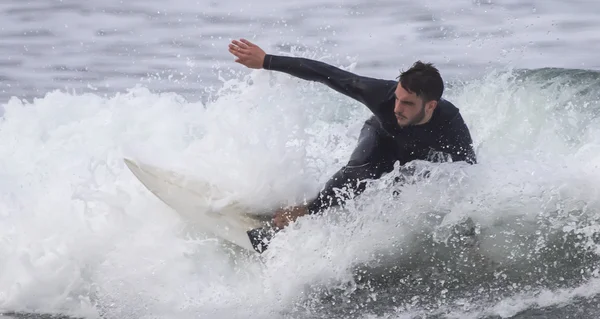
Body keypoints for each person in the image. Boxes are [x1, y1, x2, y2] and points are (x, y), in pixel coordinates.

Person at [228, 38, 477, 233]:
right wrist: (266, 60)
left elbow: (468, 174)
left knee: (410, 189)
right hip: (380, 136)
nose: (397, 108)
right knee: (361, 172)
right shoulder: (381, 95)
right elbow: (327, 74)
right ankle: (305, 211)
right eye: (398, 98)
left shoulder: (451, 125)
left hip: (418, 155)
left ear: (431, 106)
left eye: (408, 104)